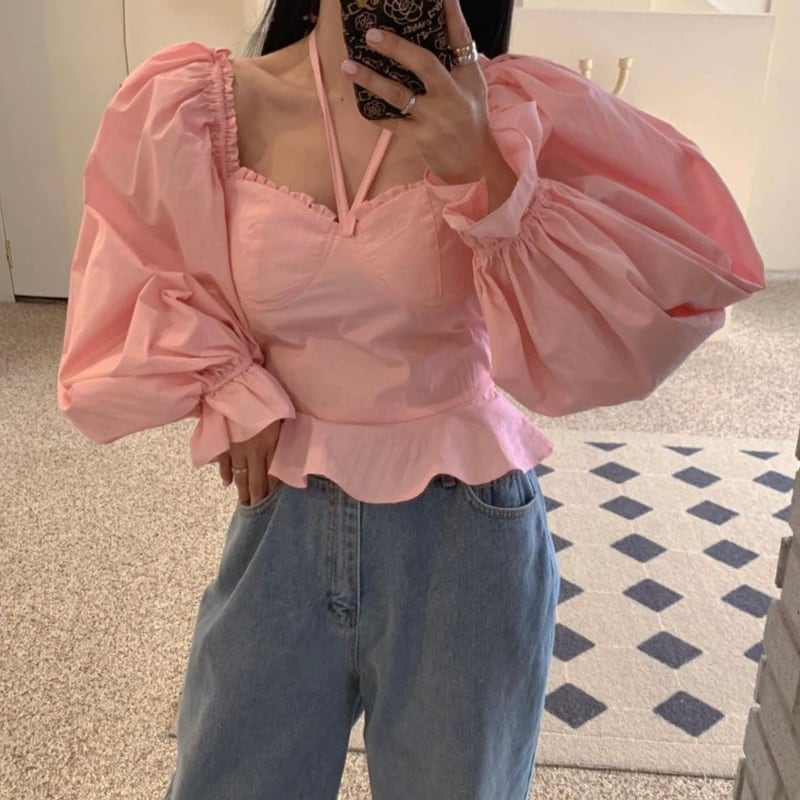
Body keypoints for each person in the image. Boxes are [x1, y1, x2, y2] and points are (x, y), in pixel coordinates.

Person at [56, 0, 765, 796]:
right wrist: (227, 379)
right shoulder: (201, 108)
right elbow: (136, 273)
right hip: (282, 516)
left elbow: (685, 277)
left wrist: (488, 172)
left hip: (467, 531)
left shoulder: (510, 110)